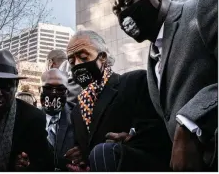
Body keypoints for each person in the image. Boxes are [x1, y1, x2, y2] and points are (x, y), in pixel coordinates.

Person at [110, 0, 217, 171]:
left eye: (128, 3)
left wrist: (189, 121)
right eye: (116, 11)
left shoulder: (204, 4)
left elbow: (184, 120)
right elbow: (169, 120)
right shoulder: (153, 57)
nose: (123, 15)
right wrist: (137, 138)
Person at [64, 30, 172, 171]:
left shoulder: (135, 82)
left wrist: (130, 139)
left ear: (102, 57)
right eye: (72, 62)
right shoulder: (77, 111)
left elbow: (159, 133)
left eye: (83, 57)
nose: (77, 64)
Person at [40, 69, 75, 171]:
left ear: (67, 93)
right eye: (48, 88)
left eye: (60, 90)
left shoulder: (78, 116)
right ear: (40, 90)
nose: (54, 94)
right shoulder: (30, 118)